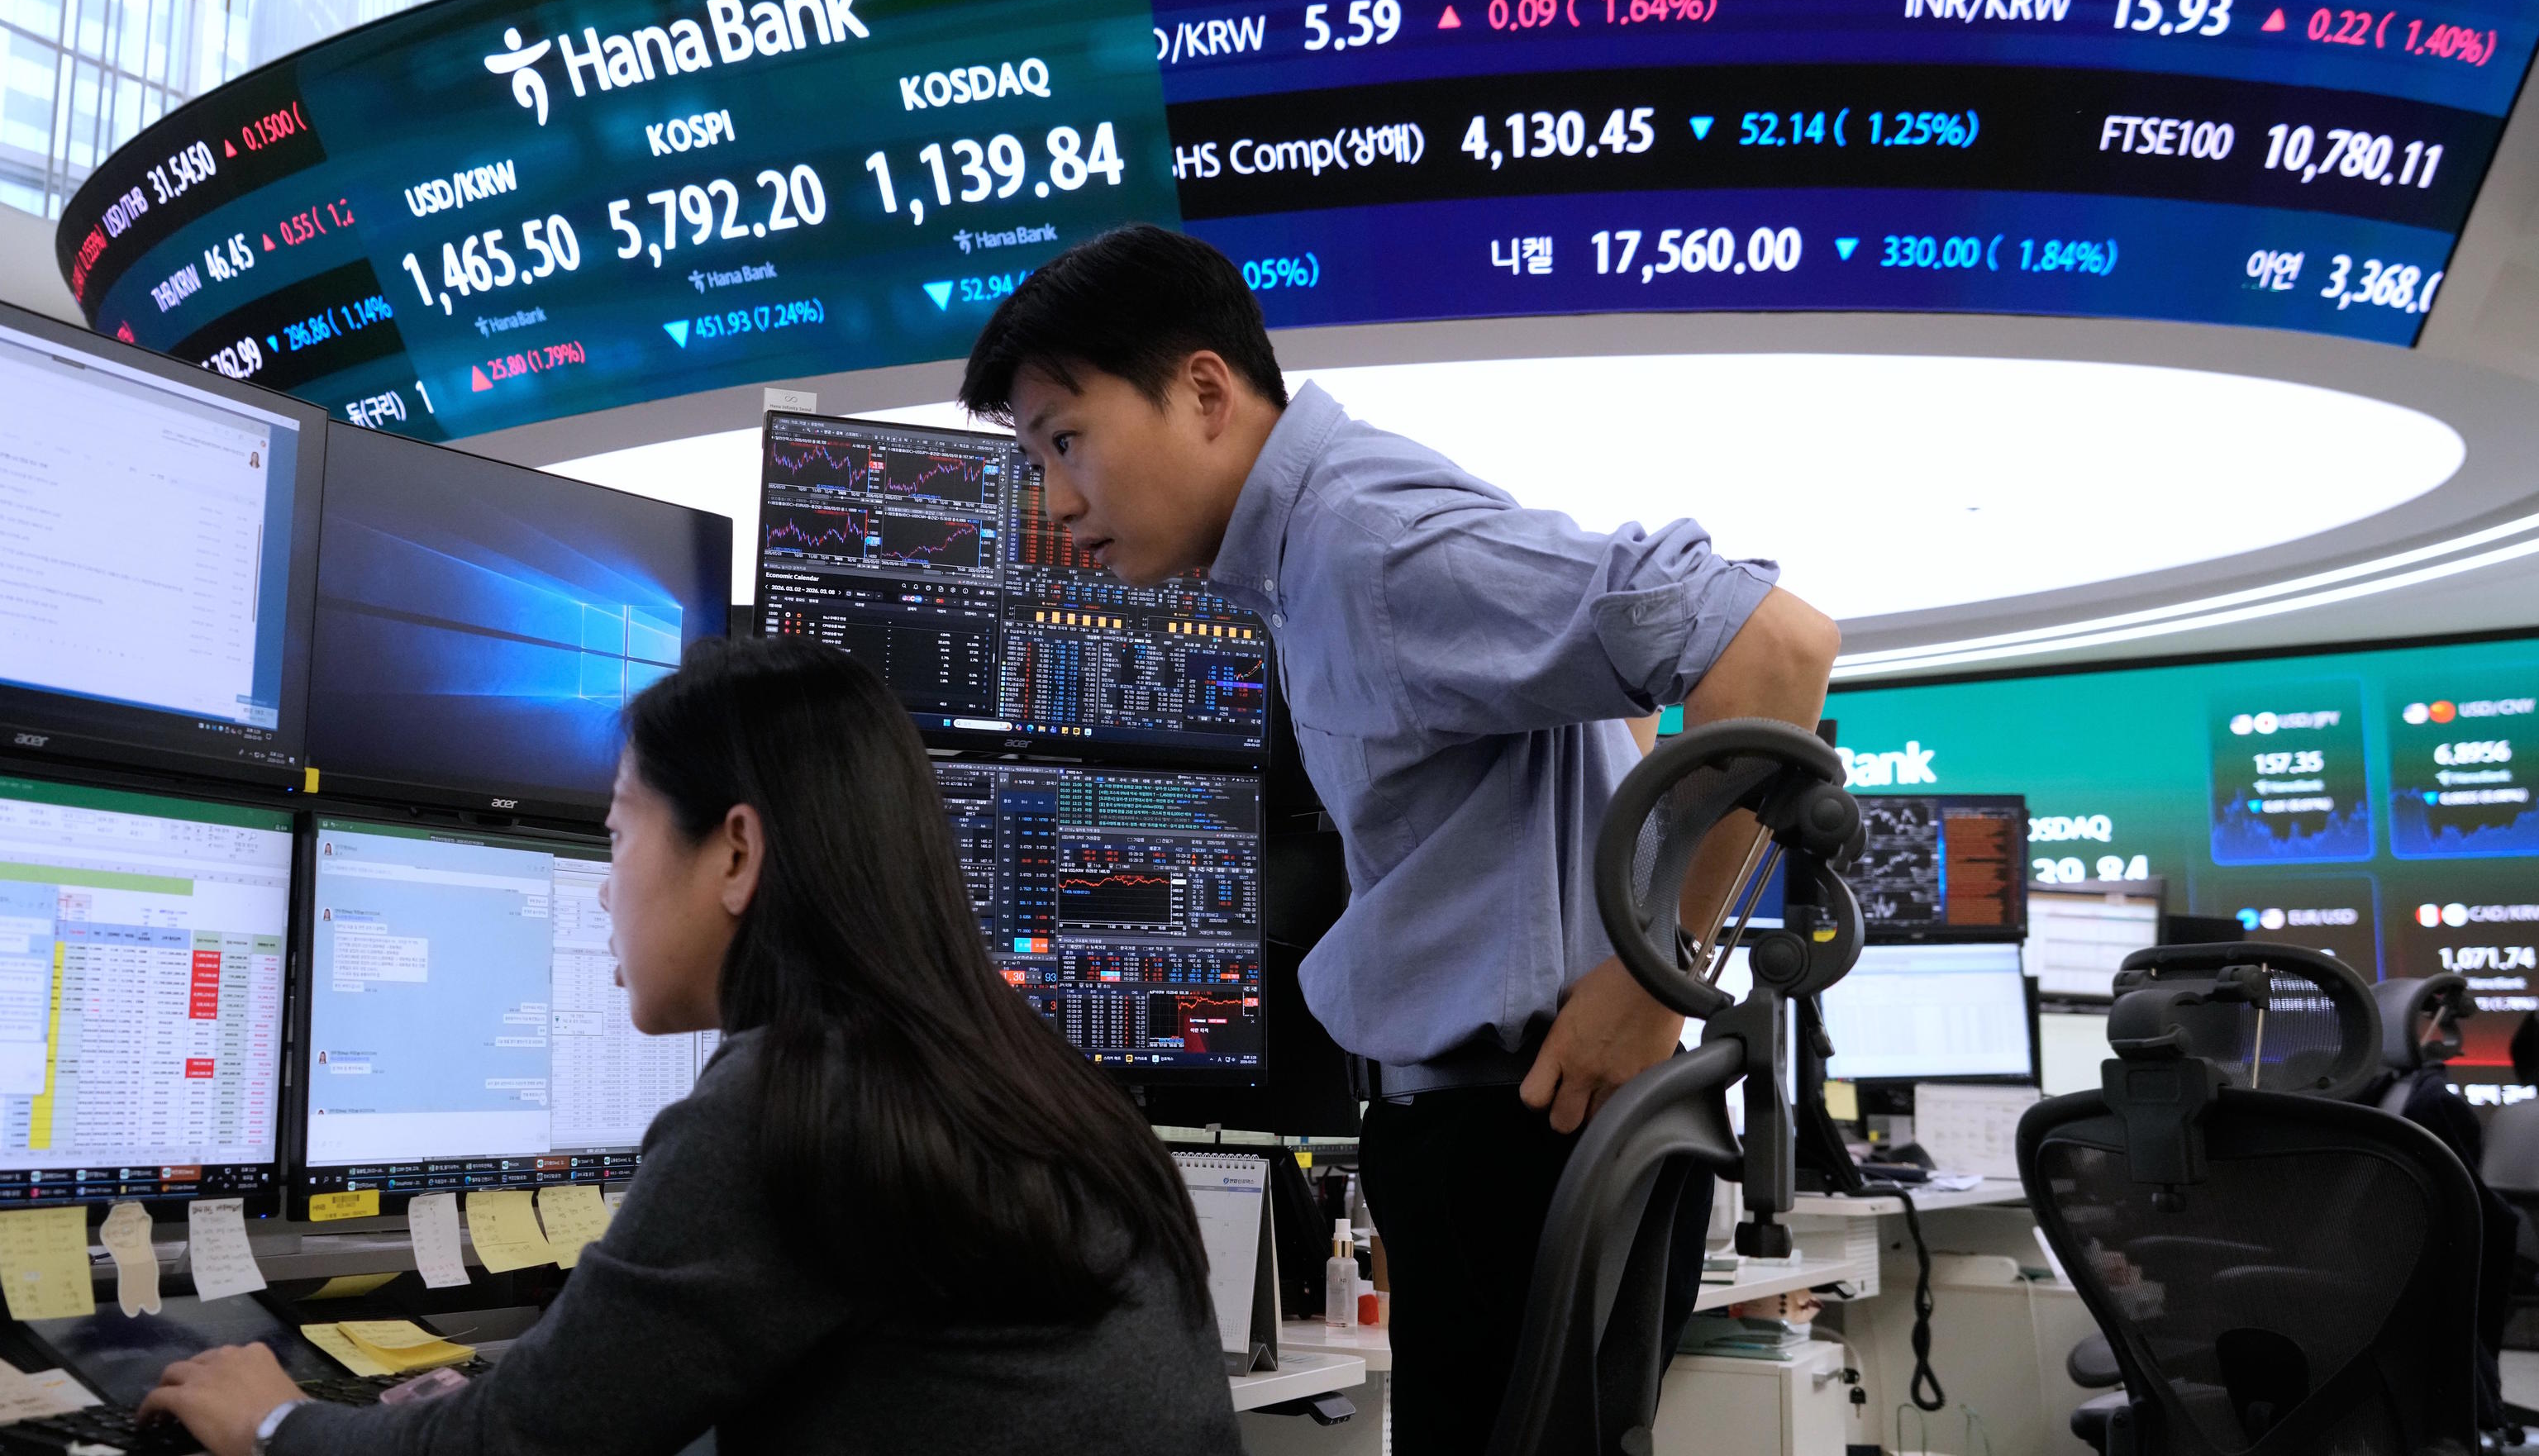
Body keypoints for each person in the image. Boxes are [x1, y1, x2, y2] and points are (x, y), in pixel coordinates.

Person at [958, 224, 1841, 1454]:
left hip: (1520, 1137)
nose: (1054, 503)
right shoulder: (1318, 552)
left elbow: (1774, 643)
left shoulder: (1366, 545)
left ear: (1205, 392)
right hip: (1497, 1135)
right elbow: (1622, 692)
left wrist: (1650, 973)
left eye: (1065, 440)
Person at [141, 637, 1245, 1456]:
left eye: (619, 833)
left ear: (735, 852)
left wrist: (275, 1422)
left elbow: (517, 1455)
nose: (604, 890)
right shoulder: (1024, 1081)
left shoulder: (790, 1105)